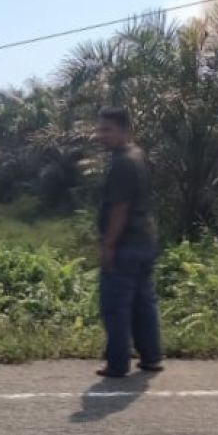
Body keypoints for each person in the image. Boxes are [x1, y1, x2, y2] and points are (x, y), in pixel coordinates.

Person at [94, 107, 164, 378]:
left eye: (107, 130)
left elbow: (120, 208)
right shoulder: (138, 155)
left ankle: (117, 363)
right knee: (142, 303)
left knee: (115, 306)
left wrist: (109, 246)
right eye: (100, 129)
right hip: (145, 241)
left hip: (126, 245)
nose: (101, 135)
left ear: (125, 131)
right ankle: (151, 357)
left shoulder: (123, 162)